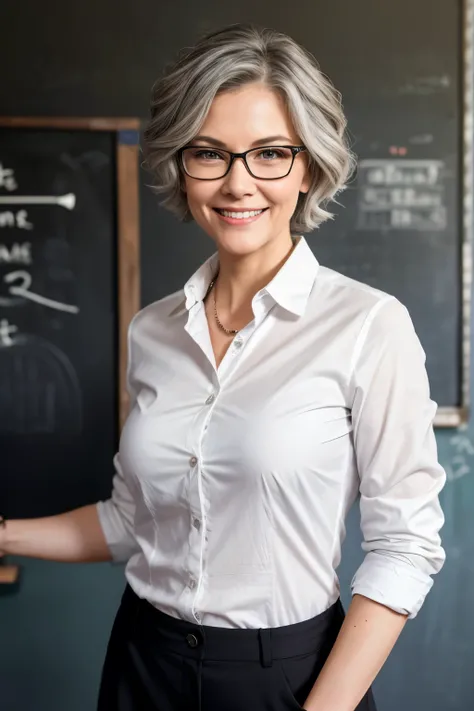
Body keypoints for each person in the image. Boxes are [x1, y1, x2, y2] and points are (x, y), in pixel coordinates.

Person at [0, 23, 446, 711]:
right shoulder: (151, 331)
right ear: (183, 164)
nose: (238, 183)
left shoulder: (368, 326)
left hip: (291, 678)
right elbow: (131, 519)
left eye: (269, 153)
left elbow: (406, 547)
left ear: (307, 167)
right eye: (210, 152)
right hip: (142, 663)